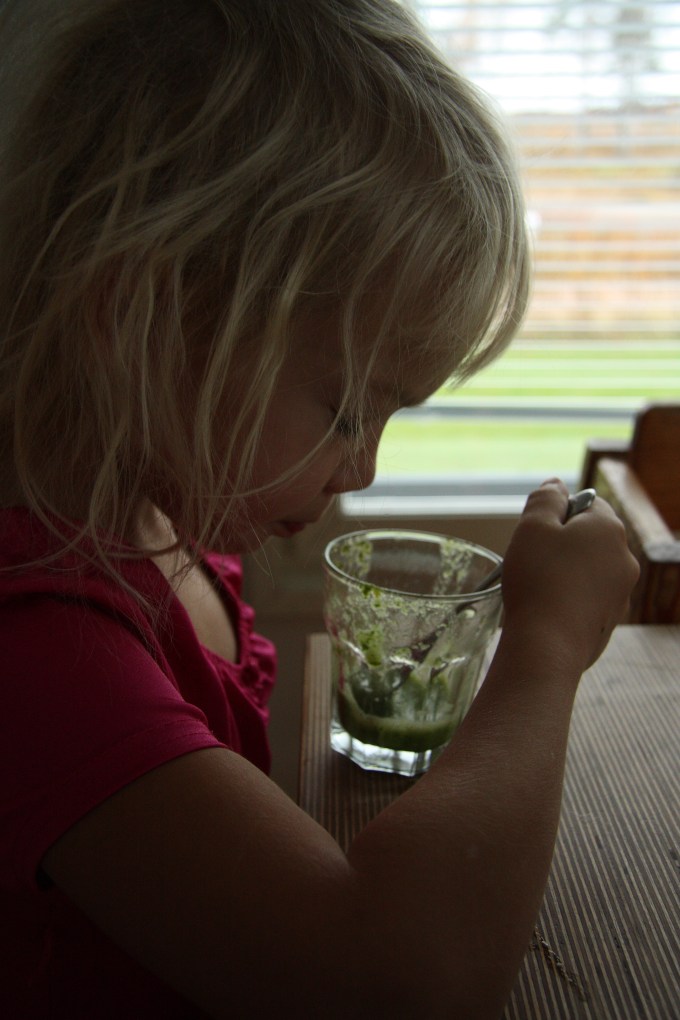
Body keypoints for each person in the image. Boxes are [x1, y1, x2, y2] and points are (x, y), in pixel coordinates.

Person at [0, 1, 639, 1017]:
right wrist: (546, 646)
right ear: (142, 318)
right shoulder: (40, 648)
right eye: (345, 410)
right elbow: (393, 980)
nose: (363, 470)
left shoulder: (154, 522)